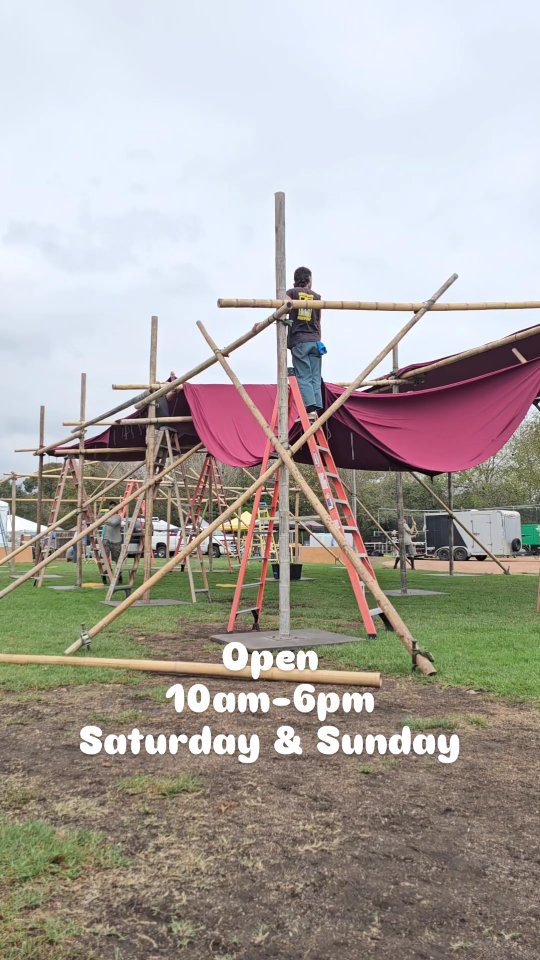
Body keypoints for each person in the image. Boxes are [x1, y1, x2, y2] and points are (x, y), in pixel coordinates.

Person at [286, 266, 324, 422]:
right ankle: (317, 408)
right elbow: (318, 321)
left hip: (300, 340)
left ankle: (309, 409)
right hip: (315, 340)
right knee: (315, 375)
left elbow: (282, 306)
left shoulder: (292, 293)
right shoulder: (317, 297)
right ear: (308, 279)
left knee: (304, 376)